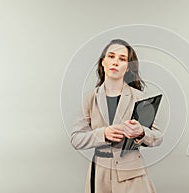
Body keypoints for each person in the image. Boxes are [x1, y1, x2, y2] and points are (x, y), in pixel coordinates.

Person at [70, 39, 163, 193]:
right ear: (103, 62)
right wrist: (103, 133)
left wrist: (141, 132)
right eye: (111, 56)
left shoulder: (139, 97)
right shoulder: (90, 98)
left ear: (127, 67)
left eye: (122, 59)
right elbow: (75, 139)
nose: (115, 62)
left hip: (132, 173)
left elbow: (158, 137)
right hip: (100, 174)